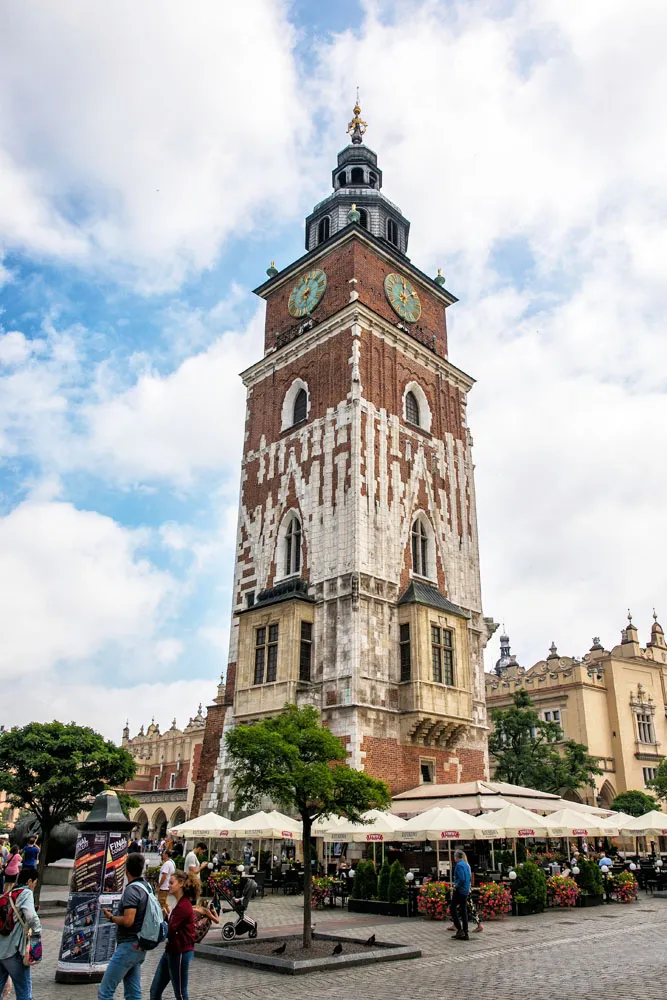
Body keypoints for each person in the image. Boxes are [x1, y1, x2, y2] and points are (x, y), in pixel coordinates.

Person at [98, 853, 150, 1000]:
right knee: (133, 993)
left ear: (126, 870)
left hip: (128, 945)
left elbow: (128, 921)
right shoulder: (146, 887)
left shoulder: (132, 890)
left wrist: (112, 917)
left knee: (105, 991)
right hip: (140, 945)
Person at [150, 870, 198, 1000]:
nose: (169, 885)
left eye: (172, 883)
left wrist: (161, 922)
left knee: (180, 993)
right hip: (171, 951)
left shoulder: (184, 906)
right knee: (155, 990)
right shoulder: (180, 903)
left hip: (180, 952)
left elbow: (170, 930)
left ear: (181, 884)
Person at [0, 868, 42, 1000]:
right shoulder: (25, 893)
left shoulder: (10, 893)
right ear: (29, 881)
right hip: (13, 950)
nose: (34, 886)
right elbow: (31, 916)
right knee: (24, 989)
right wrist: (37, 932)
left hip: (1, 948)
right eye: (34, 883)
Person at [450, 849, 471, 941]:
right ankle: (465, 932)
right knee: (463, 910)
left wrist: (456, 885)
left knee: (452, 908)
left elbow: (461, 878)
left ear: (456, 857)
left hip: (460, 890)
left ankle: (459, 929)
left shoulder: (458, 865)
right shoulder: (466, 865)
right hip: (466, 889)